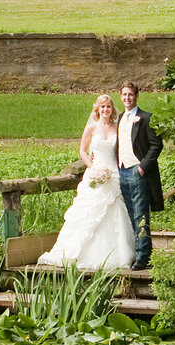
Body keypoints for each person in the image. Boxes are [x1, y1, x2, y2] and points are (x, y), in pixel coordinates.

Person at [37, 93, 136, 271]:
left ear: (112, 109)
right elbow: (83, 151)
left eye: (108, 107)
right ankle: (79, 252)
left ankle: (119, 254)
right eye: (102, 107)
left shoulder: (117, 127)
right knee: (88, 212)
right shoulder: (91, 128)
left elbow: (125, 148)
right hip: (95, 173)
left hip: (113, 174)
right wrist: (93, 167)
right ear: (97, 110)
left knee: (116, 212)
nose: (106, 110)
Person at [115, 80, 164, 271]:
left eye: (130, 95)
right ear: (121, 97)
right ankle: (143, 251)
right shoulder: (120, 118)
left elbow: (156, 145)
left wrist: (142, 167)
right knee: (130, 213)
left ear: (136, 96)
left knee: (141, 213)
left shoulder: (146, 118)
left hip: (137, 170)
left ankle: (142, 258)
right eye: (124, 95)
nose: (127, 98)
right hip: (122, 170)